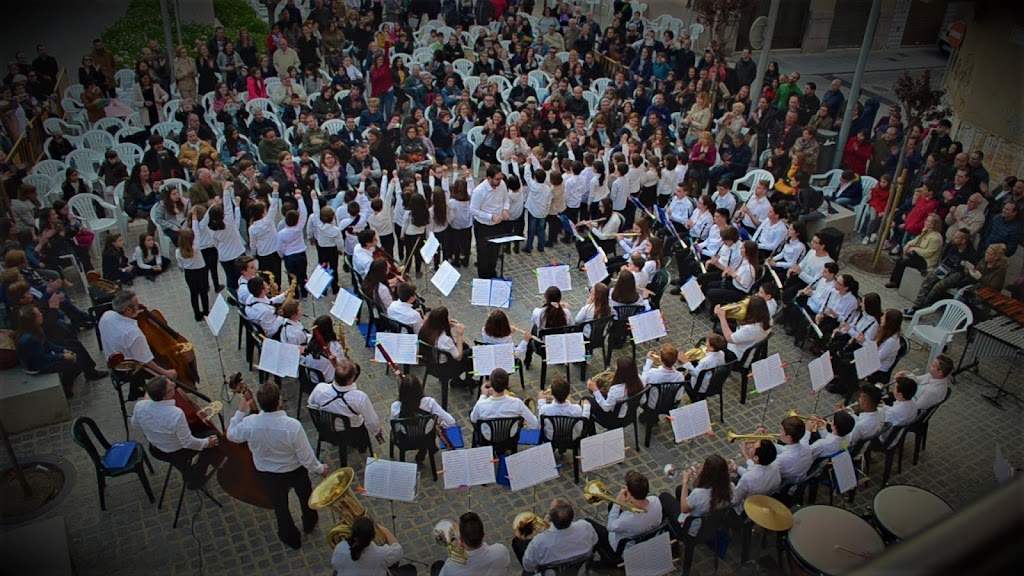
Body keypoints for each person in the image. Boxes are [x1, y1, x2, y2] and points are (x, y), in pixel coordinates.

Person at [227, 382, 327, 549]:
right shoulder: (292, 426)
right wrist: (320, 468)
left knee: (280, 507)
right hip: (294, 470)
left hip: (267, 473)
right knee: (305, 496)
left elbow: (231, 435)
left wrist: (240, 410)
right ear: (279, 401)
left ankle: (290, 537)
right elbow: (306, 456)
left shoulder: (250, 423)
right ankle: (309, 522)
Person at [131, 375, 219, 489]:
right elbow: (187, 443)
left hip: (156, 449)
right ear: (166, 396)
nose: (174, 385)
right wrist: (208, 443)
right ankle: (196, 476)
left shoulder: (140, 405)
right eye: (171, 387)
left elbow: (134, 424)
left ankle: (184, 468)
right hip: (176, 452)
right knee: (214, 437)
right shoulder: (175, 414)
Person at [14, 306, 105, 397]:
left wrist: (63, 350)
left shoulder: (35, 330)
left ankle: (90, 372)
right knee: (72, 363)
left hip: (43, 356)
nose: (41, 315)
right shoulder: (29, 339)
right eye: (38, 315)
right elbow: (41, 358)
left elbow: (47, 344)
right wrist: (63, 356)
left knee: (74, 344)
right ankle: (67, 388)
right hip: (39, 366)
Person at [307, 360, 383, 452]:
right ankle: (361, 447)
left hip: (327, 429)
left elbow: (311, 403)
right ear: (351, 379)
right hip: (352, 433)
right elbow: (372, 421)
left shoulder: (320, 388)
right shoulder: (360, 398)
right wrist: (377, 432)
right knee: (361, 429)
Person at [587, 470, 663, 563]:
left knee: (588, 523)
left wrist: (617, 501)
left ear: (630, 494)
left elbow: (610, 527)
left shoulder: (626, 519)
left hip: (625, 549)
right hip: (648, 536)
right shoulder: (656, 500)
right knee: (612, 506)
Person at [513, 499, 598, 573]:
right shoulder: (585, 526)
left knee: (517, 542)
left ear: (550, 517)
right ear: (572, 515)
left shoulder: (538, 542)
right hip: (580, 571)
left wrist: (546, 530)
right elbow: (594, 542)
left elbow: (528, 567)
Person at [658, 454, 733, 538]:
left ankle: (671, 530)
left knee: (664, 496)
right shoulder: (730, 487)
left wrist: (685, 482)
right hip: (711, 522)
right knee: (679, 489)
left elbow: (684, 509)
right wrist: (698, 477)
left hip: (693, 529)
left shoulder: (699, 494)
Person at [430, 511, 510, 576]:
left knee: (437, 566)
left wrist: (455, 551)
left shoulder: (451, 566)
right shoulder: (501, 551)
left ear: (461, 539)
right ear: (484, 534)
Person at [470, 368, 539, 440]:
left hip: (488, 438)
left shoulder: (480, 404)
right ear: (507, 384)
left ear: (491, 385)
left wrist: (483, 395)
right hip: (510, 437)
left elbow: (473, 419)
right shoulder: (517, 403)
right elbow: (534, 424)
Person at [470, 166, 509, 279]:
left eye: (500, 178)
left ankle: (492, 273)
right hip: (483, 227)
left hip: (498, 225)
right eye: (497, 179)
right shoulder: (479, 191)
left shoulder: (502, 185)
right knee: (483, 255)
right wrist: (490, 216)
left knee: (494, 253)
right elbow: (473, 210)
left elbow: (506, 199)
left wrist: (505, 209)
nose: (499, 181)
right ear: (489, 178)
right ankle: (484, 279)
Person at [585, 357, 644, 430]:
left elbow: (606, 408)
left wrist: (595, 390)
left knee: (586, 399)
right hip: (630, 415)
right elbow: (643, 400)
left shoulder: (616, 390)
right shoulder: (641, 380)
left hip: (614, 420)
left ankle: (588, 427)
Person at [714, 295, 771, 362]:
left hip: (734, 353)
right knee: (719, 330)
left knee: (710, 341)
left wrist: (722, 317)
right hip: (748, 340)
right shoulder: (767, 318)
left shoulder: (749, 329)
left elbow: (729, 338)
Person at [732, 439, 781, 512]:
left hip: (747, 507)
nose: (751, 446)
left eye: (753, 447)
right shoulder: (775, 466)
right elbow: (755, 468)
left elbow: (734, 500)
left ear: (756, 458)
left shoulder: (747, 478)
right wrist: (744, 455)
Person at [679, 334, 727, 402]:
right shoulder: (722, 353)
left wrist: (686, 362)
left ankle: (689, 397)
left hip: (701, 387)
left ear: (711, 348)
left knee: (684, 377)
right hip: (715, 382)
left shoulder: (705, 361)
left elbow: (695, 374)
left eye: (707, 342)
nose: (705, 343)